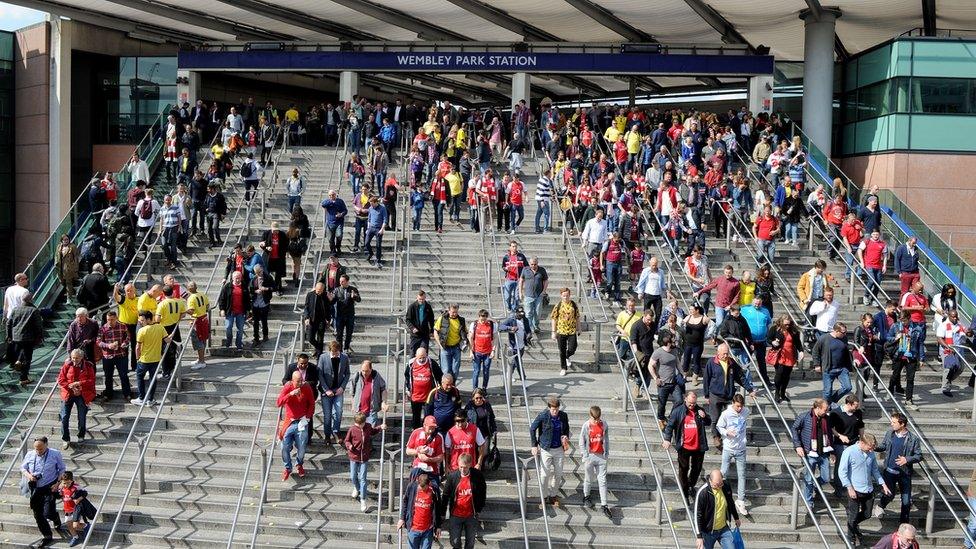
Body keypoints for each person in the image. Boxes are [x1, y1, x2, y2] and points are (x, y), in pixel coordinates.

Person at [838, 433, 891, 545]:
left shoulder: (870, 453)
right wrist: (849, 488)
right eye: (869, 447)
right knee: (853, 514)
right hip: (854, 489)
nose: (871, 450)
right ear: (862, 443)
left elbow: (875, 470)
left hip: (868, 489)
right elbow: (842, 472)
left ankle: (852, 526)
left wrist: (883, 484)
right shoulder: (849, 452)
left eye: (872, 448)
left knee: (867, 514)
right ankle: (851, 538)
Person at [702, 343, 755, 450]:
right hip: (715, 394)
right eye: (723, 354)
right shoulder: (711, 363)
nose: (725, 356)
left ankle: (728, 437)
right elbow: (706, 379)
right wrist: (706, 395)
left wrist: (749, 389)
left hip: (729, 394)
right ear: (718, 353)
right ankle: (716, 436)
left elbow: (740, 377)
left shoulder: (731, 362)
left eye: (727, 353)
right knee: (715, 418)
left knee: (730, 418)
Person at [663, 391, 711, 505]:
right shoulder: (678, 411)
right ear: (685, 400)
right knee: (683, 470)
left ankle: (690, 485)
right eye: (690, 403)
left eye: (694, 403)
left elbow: (709, 422)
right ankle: (684, 492)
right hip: (684, 446)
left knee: (697, 468)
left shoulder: (699, 410)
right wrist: (667, 439)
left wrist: (704, 417)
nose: (692, 406)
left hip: (698, 446)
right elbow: (670, 426)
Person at [875, 412, 922, 525]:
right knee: (889, 495)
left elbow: (919, 455)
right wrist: (874, 447)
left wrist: (907, 459)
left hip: (904, 473)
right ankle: (881, 505)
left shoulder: (913, 438)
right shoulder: (890, 433)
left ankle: (903, 526)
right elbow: (884, 446)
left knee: (906, 501)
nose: (891, 424)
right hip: (889, 471)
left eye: (894, 422)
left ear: (902, 424)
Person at [21, 436, 67, 545]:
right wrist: (29, 475)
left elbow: (62, 469)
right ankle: (47, 535)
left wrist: (58, 483)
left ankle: (55, 517)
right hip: (35, 487)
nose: (38, 451)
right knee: (37, 514)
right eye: (36, 449)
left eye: (41, 448)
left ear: (47, 444)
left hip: (50, 487)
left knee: (48, 513)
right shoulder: (30, 454)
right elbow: (23, 468)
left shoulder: (55, 454)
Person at [792, 398, 835, 505]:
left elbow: (829, 434)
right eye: (825, 409)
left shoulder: (827, 418)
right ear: (817, 408)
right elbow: (794, 429)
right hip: (809, 452)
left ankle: (814, 486)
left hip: (824, 453)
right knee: (809, 479)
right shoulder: (804, 416)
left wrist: (832, 452)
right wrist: (798, 446)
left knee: (826, 478)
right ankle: (809, 502)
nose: (827, 412)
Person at [440, 452, 487, 549]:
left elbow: (482, 493)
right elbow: (445, 495)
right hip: (456, 515)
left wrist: (479, 509)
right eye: (460, 466)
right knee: (455, 541)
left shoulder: (477, 476)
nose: (462, 469)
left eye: (465, 467)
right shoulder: (453, 477)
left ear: (470, 465)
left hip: (471, 515)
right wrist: (443, 512)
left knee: (470, 543)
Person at [530, 396, 570, 508]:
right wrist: (534, 445)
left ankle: (553, 495)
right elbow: (532, 428)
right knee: (544, 474)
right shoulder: (543, 416)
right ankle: (543, 497)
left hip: (559, 449)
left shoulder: (563, 416)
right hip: (546, 449)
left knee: (558, 474)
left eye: (557, 409)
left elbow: (566, 428)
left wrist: (565, 436)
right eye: (553, 409)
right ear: (549, 408)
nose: (555, 411)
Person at [716, 394, 750, 516]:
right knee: (723, 472)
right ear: (733, 403)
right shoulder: (726, 414)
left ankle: (740, 500)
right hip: (728, 447)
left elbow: (746, 412)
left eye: (741, 406)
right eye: (737, 406)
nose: (739, 409)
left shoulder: (746, 411)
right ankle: (719, 496)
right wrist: (726, 432)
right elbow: (719, 426)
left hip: (741, 448)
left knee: (742, 474)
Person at [277, 370, 315, 480]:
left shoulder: (306, 387)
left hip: (302, 421)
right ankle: (288, 467)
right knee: (284, 446)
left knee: (302, 446)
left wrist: (307, 417)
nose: (300, 383)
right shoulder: (288, 387)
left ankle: (299, 464)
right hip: (289, 421)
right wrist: (290, 394)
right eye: (298, 381)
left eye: (301, 381)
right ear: (292, 380)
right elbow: (279, 402)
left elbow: (311, 403)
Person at [344, 411, 385, 512]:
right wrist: (349, 446)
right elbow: (347, 440)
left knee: (363, 478)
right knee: (353, 476)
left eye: (360, 424)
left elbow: (373, 431)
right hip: (354, 456)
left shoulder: (367, 426)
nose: (358, 426)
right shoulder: (352, 429)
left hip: (364, 457)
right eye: (356, 424)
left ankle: (363, 499)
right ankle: (357, 488)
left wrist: (380, 427)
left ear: (364, 422)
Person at [56, 349, 96, 449]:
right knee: (64, 417)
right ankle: (65, 438)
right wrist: (71, 386)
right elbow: (60, 379)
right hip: (68, 393)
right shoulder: (67, 365)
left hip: (82, 394)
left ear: (82, 357)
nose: (74, 360)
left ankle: (81, 435)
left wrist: (79, 384)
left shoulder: (88, 366)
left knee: (82, 417)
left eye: (77, 358)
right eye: (73, 357)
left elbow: (91, 380)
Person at [131, 310, 172, 406]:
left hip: (144, 360)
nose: (140, 322)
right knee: (152, 379)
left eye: (142, 320)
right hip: (156, 359)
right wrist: (171, 336)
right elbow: (167, 340)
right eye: (140, 320)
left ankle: (141, 398)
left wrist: (137, 358)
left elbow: (137, 347)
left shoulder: (142, 331)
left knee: (140, 377)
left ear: (149, 319)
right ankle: (150, 399)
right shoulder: (160, 327)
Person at [578, 405, 613, 519]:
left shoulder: (604, 424)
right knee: (588, 478)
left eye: (598, 419)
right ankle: (586, 497)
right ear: (590, 416)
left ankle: (604, 504)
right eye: (594, 419)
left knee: (602, 480)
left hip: (601, 456)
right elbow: (581, 441)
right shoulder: (586, 425)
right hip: (590, 456)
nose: (596, 421)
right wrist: (585, 455)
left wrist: (606, 453)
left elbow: (606, 439)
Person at [693, 470, 741, 549]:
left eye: (720, 484)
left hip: (723, 529)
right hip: (707, 532)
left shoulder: (725, 485)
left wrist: (736, 517)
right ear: (710, 480)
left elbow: (730, 502)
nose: (719, 487)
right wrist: (699, 537)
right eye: (716, 485)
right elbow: (697, 515)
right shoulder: (703, 492)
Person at [829, 395, 865, 495]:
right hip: (841, 444)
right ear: (849, 404)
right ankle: (839, 488)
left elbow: (861, 426)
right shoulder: (835, 413)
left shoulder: (858, 413)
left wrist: (862, 439)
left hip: (854, 443)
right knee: (841, 466)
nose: (856, 408)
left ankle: (851, 487)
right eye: (855, 406)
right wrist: (840, 436)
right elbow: (831, 428)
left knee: (853, 466)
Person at [397, 473, 442, 549]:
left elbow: (437, 508)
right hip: (413, 528)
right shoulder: (412, 487)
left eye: (424, 488)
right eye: (420, 488)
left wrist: (438, 526)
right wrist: (402, 518)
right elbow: (405, 503)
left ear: (429, 484)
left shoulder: (433, 490)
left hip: (427, 529)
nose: (422, 490)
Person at [813, 322, 853, 406]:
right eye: (843, 332)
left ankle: (832, 400)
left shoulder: (843, 338)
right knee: (827, 392)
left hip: (842, 368)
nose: (845, 334)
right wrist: (817, 364)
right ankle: (825, 407)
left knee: (848, 387)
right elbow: (815, 351)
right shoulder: (824, 338)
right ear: (836, 331)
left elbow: (846, 352)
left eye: (845, 332)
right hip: (829, 369)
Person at [317, 341, 350, 444]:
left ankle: (336, 431)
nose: (336, 354)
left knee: (339, 412)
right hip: (327, 391)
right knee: (327, 415)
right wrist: (326, 390)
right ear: (330, 350)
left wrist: (342, 387)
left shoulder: (344, 357)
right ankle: (327, 435)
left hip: (338, 389)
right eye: (334, 352)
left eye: (337, 352)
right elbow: (320, 375)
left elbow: (347, 373)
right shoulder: (323, 357)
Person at [9, 292, 44, 386]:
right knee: (27, 358)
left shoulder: (15, 309)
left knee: (20, 352)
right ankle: (23, 378)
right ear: (31, 299)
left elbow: (9, 323)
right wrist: (40, 336)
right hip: (28, 338)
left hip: (16, 336)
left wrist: (9, 335)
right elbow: (38, 325)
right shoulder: (33, 310)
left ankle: (18, 361)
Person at [96, 310, 130, 402]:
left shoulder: (123, 326)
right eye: (108, 319)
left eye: (112, 319)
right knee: (108, 376)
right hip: (108, 356)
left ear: (116, 318)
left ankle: (127, 394)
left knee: (123, 375)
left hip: (121, 355)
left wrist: (124, 344)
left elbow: (128, 337)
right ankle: (109, 394)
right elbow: (98, 341)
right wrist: (108, 345)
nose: (110, 321)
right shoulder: (103, 328)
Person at [58, 471, 96, 547]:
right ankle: (75, 537)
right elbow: (60, 495)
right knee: (69, 525)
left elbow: (85, 493)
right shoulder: (61, 487)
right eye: (64, 483)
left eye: (68, 483)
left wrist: (79, 499)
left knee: (75, 525)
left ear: (72, 480)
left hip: (76, 509)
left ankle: (86, 526)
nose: (66, 485)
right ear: (62, 482)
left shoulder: (76, 486)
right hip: (67, 509)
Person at [406, 415, 446, 486]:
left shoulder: (439, 436)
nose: (431, 430)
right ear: (424, 425)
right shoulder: (416, 432)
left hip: (432, 469)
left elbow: (441, 457)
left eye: (433, 428)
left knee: (434, 490)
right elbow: (408, 451)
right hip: (418, 466)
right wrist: (418, 452)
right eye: (430, 428)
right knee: (414, 488)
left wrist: (429, 459)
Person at [550, 288, 581, 377]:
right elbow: (554, 318)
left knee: (572, 348)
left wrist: (579, 328)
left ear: (569, 295)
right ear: (561, 296)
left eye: (567, 295)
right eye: (564, 295)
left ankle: (567, 355)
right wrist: (553, 332)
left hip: (571, 330)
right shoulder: (558, 305)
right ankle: (563, 368)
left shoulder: (573, 305)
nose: (565, 297)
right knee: (561, 350)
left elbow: (577, 317)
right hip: (561, 330)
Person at [350, 359, 389, 427]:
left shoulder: (376, 376)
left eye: (367, 371)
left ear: (371, 369)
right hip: (359, 411)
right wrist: (353, 405)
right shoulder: (357, 376)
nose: (364, 373)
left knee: (370, 430)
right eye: (363, 371)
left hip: (371, 410)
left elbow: (383, 389)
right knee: (359, 432)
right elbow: (352, 392)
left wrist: (383, 402)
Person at [218, 271, 250, 351]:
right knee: (228, 327)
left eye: (239, 278)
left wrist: (248, 310)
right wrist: (222, 309)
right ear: (232, 278)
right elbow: (222, 299)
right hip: (230, 311)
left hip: (241, 311)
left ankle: (238, 344)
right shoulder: (227, 286)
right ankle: (229, 341)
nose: (238, 280)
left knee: (240, 329)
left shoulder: (244, 287)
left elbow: (247, 300)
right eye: (236, 278)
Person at [468, 309, 496, 391]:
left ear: (487, 318)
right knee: (476, 372)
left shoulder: (491, 325)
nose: (482, 321)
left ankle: (484, 388)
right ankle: (475, 389)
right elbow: (470, 338)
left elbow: (495, 338)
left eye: (484, 319)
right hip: (477, 352)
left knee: (486, 372)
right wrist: (471, 351)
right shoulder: (474, 324)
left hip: (487, 352)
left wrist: (493, 351)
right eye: (481, 319)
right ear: (478, 317)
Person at [519, 258, 549, 334]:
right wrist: (520, 292)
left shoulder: (541, 270)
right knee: (528, 313)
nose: (533, 266)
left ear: (537, 263)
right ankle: (529, 327)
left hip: (538, 295)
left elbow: (546, 280)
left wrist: (544, 291)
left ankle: (536, 326)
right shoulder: (525, 270)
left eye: (535, 264)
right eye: (532, 264)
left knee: (537, 312)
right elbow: (521, 280)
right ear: (529, 263)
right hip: (528, 295)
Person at [185, 281, 210, 370]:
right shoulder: (202, 295)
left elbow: (191, 310)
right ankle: (200, 359)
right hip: (204, 319)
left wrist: (183, 312)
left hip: (196, 321)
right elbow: (207, 306)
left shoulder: (191, 298)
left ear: (188, 289)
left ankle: (201, 361)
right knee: (203, 339)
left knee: (198, 341)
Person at [333, 275, 361, 353]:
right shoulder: (337, 290)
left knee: (349, 333)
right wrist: (330, 299)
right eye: (340, 281)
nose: (341, 283)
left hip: (349, 315)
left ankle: (346, 347)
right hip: (340, 315)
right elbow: (333, 301)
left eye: (342, 281)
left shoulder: (353, 289)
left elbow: (359, 299)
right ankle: (340, 349)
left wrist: (354, 297)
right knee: (339, 334)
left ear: (347, 281)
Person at [303, 282, 331, 357]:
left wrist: (328, 319)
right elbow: (306, 307)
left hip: (321, 320)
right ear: (315, 288)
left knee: (320, 338)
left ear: (323, 290)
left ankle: (319, 355)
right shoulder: (310, 295)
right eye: (317, 290)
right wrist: (306, 317)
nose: (318, 291)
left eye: (320, 290)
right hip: (312, 319)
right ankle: (318, 348)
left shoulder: (325, 296)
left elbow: (328, 308)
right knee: (310, 338)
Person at [260, 222, 289, 293]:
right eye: (273, 230)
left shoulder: (282, 235)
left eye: (276, 230)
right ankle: (267, 287)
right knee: (266, 272)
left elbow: (286, 244)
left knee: (278, 273)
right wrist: (266, 247)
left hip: (279, 257)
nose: (275, 231)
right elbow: (261, 244)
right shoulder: (266, 234)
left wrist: (284, 252)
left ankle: (278, 288)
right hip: (268, 257)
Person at [248, 264, 273, 346]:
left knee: (264, 321)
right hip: (255, 304)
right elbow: (250, 290)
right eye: (257, 273)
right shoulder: (253, 279)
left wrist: (266, 289)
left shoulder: (268, 277)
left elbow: (274, 287)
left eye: (260, 272)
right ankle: (256, 338)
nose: (259, 274)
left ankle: (265, 335)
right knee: (255, 322)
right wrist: (255, 291)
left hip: (264, 303)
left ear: (262, 269)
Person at [501, 241, 527, 313]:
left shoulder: (521, 256)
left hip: (518, 280)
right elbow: (503, 266)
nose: (514, 248)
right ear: (510, 247)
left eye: (515, 246)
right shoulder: (506, 257)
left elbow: (527, 266)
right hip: (509, 279)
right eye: (513, 246)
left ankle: (514, 309)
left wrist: (524, 277)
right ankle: (509, 307)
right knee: (507, 296)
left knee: (516, 297)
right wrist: (506, 269)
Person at [406, 290, 435, 355]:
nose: (421, 301)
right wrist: (412, 328)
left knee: (424, 352)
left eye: (423, 299)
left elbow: (431, 319)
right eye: (420, 299)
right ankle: (412, 365)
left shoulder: (428, 307)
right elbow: (408, 319)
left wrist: (432, 331)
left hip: (424, 334)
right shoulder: (412, 307)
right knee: (413, 353)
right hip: (415, 335)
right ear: (417, 298)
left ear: (425, 298)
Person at [364, 195, 388, 268]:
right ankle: (371, 253)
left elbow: (385, 220)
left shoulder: (382, 208)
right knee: (366, 243)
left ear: (376, 202)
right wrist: (368, 228)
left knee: (378, 245)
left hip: (378, 228)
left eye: (372, 204)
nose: (371, 205)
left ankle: (378, 260)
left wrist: (382, 229)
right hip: (371, 227)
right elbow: (369, 219)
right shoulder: (371, 208)